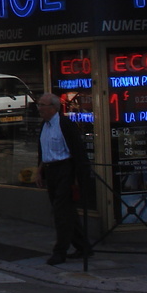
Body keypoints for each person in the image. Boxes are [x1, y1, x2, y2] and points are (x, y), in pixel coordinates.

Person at [34, 93, 93, 265]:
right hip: (50, 170)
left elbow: (77, 150)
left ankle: (60, 251)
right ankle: (83, 246)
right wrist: (39, 171)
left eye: (42, 105)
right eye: (39, 105)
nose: (40, 108)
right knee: (66, 211)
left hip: (65, 169)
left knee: (61, 212)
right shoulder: (43, 126)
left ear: (53, 107)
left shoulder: (65, 124)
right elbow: (43, 151)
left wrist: (80, 176)